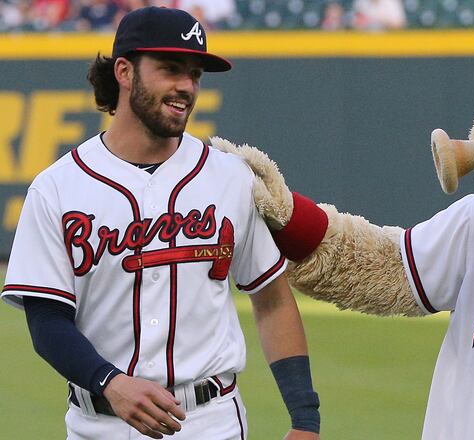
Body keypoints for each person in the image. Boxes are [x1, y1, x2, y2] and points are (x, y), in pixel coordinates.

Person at [1, 6, 320, 440]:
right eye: (170, 69)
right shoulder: (57, 187)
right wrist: (108, 381)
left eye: (194, 74)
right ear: (124, 71)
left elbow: (272, 299)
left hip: (210, 421)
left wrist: (305, 418)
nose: (186, 87)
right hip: (99, 423)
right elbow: (47, 319)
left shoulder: (230, 177)